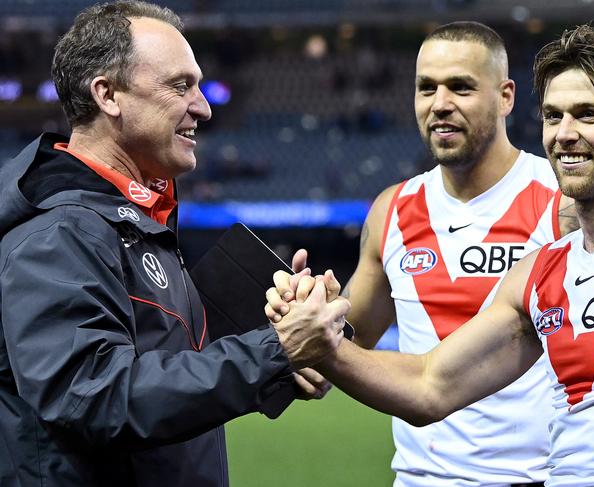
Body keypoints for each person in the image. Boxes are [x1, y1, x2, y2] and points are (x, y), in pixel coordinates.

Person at [270, 24, 594, 486]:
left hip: (524, 475)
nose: (566, 134)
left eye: (588, 115)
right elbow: (426, 382)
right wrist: (318, 329)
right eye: (553, 116)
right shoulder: (534, 271)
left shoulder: (559, 206)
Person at [0, 2, 349, 486]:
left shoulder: (135, 219)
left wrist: (284, 348)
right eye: (180, 85)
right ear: (108, 95)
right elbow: (92, 397)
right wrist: (273, 350)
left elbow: (162, 359)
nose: (203, 106)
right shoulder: (58, 232)